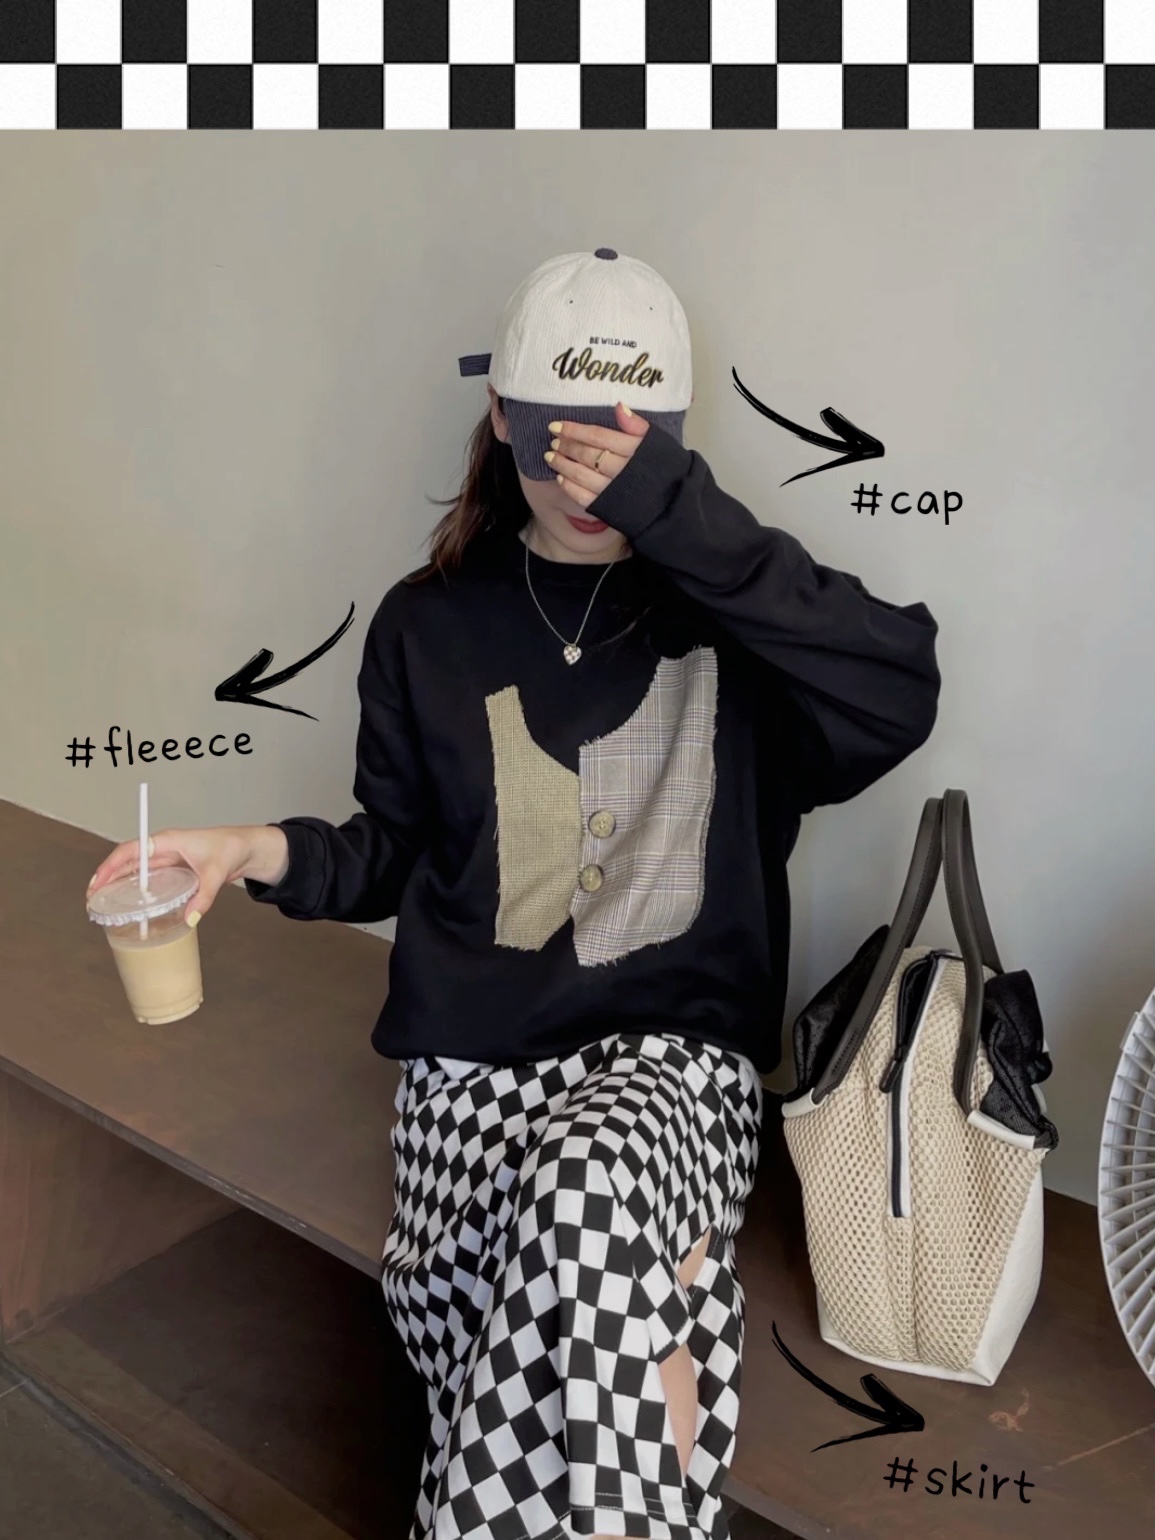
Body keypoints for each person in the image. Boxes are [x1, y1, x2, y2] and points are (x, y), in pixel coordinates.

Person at [86, 248, 941, 1540]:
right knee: (531, 1321)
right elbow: (393, 849)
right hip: (472, 1078)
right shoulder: (426, 625)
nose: (591, 479)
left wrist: (685, 519)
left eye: (629, 449)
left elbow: (901, 688)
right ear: (500, 418)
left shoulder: (743, 621)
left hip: (670, 1072)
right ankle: (663, 1341)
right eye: (561, 440)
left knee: (584, 1208)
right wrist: (245, 851)